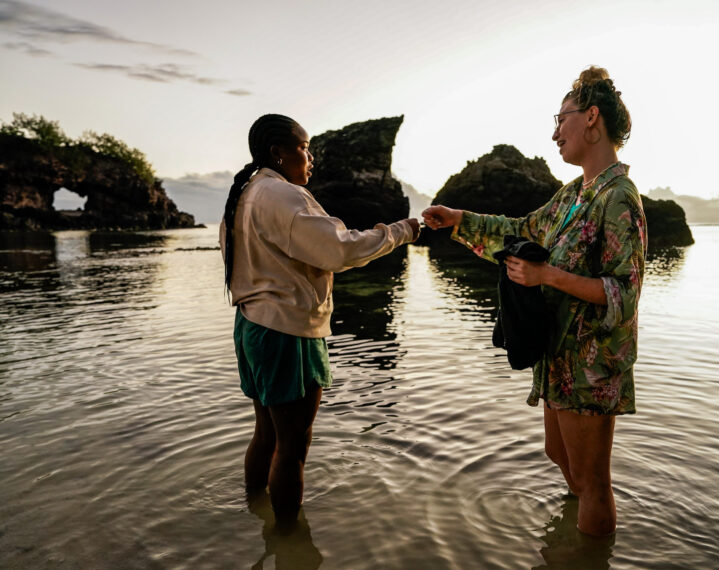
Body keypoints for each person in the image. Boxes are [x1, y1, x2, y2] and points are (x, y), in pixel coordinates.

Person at [422, 66, 646, 536]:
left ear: (590, 118)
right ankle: (568, 542)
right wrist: (458, 219)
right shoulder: (572, 195)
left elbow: (624, 292)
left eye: (559, 119)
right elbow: (521, 231)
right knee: (557, 455)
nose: (553, 133)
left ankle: (591, 555)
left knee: (592, 481)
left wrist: (547, 275)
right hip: (558, 353)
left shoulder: (619, 197)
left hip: (592, 360)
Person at [220, 114, 419, 521]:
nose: (311, 157)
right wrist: (405, 231)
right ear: (278, 152)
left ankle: (254, 519)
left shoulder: (244, 195)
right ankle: (291, 544)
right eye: (304, 147)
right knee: (292, 447)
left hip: (252, 325)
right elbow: (341, 250)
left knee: (266, 434)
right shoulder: (281, 196)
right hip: (285, 332)